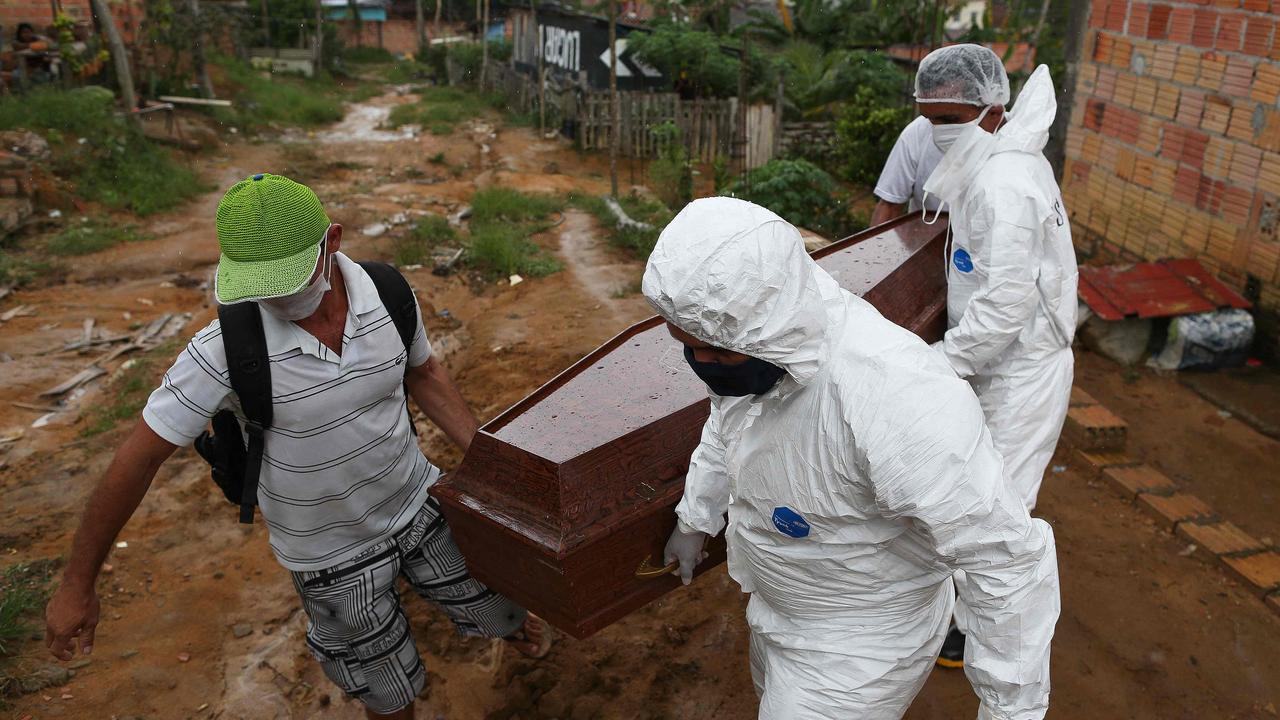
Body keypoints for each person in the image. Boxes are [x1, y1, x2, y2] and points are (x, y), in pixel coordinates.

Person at [44, 174, 550, 720]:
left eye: (289, 278)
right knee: (385, 688)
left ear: (331, 241)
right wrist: (78, 583)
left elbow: (424, 372)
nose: (279, 297)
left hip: (419, 503)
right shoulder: (222, 350)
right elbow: (138, 458)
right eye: (262, 285)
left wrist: (490, 463)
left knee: (502, 602)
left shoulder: (387, 292)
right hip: (328, 559)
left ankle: (515, 636)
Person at [649, 196, 1060, 719]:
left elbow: (1004, 560)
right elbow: (729, 425)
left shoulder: (895, 398)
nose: (703, 364)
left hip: (862, 644)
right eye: (688, 346)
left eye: (719, 354)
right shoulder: (752, 337)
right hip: (778, 608)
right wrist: (696, 516)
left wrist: (1011, 712)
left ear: (768, 327)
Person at [914, 44, 1078, 667]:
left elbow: (1005, 306)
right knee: (973, 486)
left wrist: (942, 363)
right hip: (998, 360)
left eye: (948, 118)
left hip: (1023, 367)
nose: (938, 132)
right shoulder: (991, 160)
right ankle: (962, 610)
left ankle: (982, 634)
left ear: (989, 111)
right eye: (929, 117)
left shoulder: (1005, 183)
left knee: (1001, 505)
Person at [870, 114, 944, 226]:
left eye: (952, 119)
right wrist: (874, 243)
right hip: (925, 238)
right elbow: (889, 207)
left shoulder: (979, 140)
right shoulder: (917, 133)